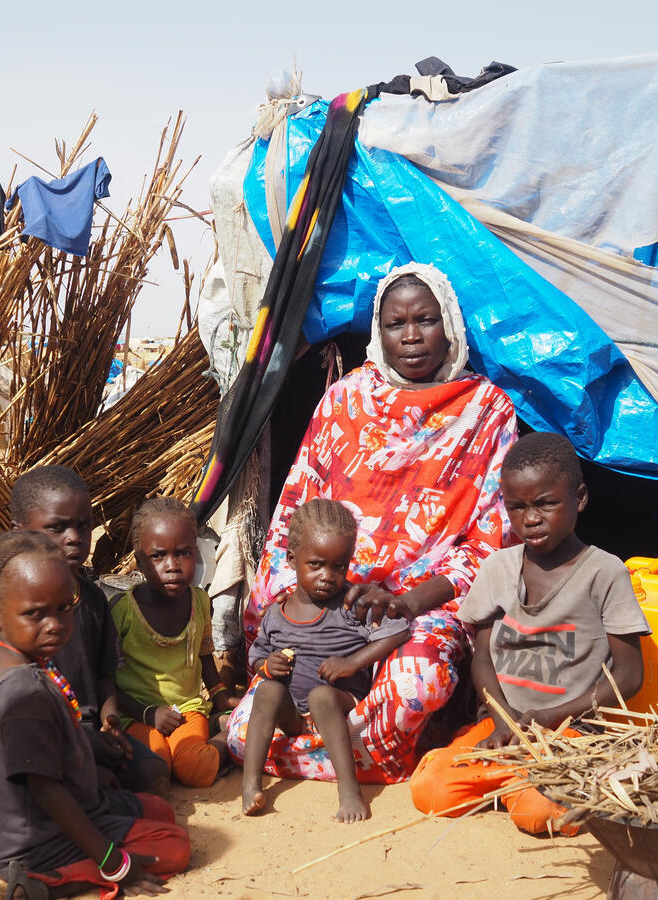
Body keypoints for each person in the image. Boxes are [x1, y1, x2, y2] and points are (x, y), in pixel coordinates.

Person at [225, 261, 518, 784]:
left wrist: (409, 601)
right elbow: (297, 505)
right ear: (377, 332)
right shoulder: (345, 400)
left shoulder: (486, 410)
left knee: (418, 676)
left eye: (425, 320)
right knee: (243, 734)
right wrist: (304, 595)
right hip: (330, 591)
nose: (411, 337)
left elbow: (492, 544)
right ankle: (352, 750)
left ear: (449, 326)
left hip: (422, 602)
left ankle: (349, 749)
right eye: (395, 323)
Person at [409, 432, 650, 834]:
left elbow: (630, 675)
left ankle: (525, 785)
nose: (531, 519)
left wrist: (548, 717)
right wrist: (504, 722)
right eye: (517, 507)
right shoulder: (498, 568)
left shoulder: (605, 573)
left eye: (546, 503)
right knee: (431, 792)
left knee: (540, 814)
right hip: (503, 725)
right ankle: (516, 779)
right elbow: (483, 658)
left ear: (581, 498)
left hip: (570, 729)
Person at [0, 530, 189, 899]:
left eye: (63, 607)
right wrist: (112, 862)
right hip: (37, 843)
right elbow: (46, 790)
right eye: (34, 614)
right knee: (175, 845)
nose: (54, 624)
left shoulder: (8, 659)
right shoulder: (25, 694)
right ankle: (47, 884)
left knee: (158, 810)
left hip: (70, 808)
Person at [0, 466, 169, 808]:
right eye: (57, 527)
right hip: (36, 733)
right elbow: (3, 699)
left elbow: (104, 676)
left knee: (153, 773)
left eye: (83, 525)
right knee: (91, 789)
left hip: (88, 733)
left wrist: (111, 726)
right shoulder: (6, 611)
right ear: (20, 531)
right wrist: (80, 747)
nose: (74, 538)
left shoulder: (94, 599)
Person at [242, 500, 409, 822]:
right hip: (293, 715)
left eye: (339, 567)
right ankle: (251, 785)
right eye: (316, 564)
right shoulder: (276, 613)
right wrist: (267, 666)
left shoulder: (352, 605)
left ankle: (349, 791)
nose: (327, 577)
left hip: (340, 702)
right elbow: (258, 653)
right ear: (292, 559)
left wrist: (353, 663)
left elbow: (398, 630)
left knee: (321, 697)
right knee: (267, 691)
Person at [110, 497, 236, 788]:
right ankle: (211, 729)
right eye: (158, 556)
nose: (173, 566)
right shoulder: (123, 611)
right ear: (139, 561)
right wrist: (148, 714)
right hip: (136, 714)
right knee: (155, 768)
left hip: (186, 709)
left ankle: (227, 735)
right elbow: (105, 678)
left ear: (197, 552)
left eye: (184, 553)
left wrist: (219, 694)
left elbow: (204, 654)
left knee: (193, 768)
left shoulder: (200, 602)